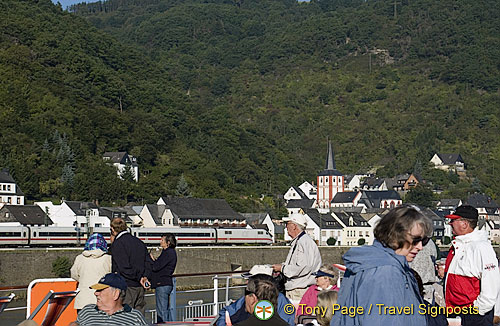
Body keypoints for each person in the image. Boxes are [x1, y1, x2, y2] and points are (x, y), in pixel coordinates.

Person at [331, 205, 431, 326]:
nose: (420, 247)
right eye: (415, 240)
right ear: (394, 236)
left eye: (424, 241)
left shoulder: (368, 262)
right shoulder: (385, 271)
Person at [444, 205, 500, 326]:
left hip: (474, 315)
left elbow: (491, 286)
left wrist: (476, 311)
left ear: (464, 224)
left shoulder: (481, 247)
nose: (450, 223)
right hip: (457, 312)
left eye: (453, 220)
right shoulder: (458, 245)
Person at [216, 265, 295, 326]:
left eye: (251, 279)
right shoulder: (244, 299)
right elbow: (226, 312)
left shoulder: (282, 301)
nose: (246, 282)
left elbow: (289, 320)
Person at [272, 214, 321, 305]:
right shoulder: (301, 241)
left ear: (294, 226)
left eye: (287, 224)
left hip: (299, 290)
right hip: (298, 288)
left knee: (296, 316)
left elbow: (303, 267)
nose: (286, 227)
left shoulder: (303, 242)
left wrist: (282, 268)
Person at [109, 217, 151, 315]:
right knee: (139, 316)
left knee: (126, 316)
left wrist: (138, 277)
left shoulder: (118, 244)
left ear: (112, 229)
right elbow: (148, 263)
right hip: (140, 287)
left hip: (127, 285)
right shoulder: (139, 242)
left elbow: (124, 268)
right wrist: (144, 277)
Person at [74, 272, 148, 325]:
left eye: (100, 290)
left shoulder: (134, 317)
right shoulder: (87, 311)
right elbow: (76, 323)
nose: (95, 293)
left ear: (116, 294)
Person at [70, 233, 111, 311]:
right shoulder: (108, 259)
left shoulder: (79, 258)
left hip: (83, 301)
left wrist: (83, 279)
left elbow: (74, 274)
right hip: (102, 300)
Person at [150, 233, 177, 323]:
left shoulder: (168, 253)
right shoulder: (171, 252)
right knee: (166, 309)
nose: (160, 242)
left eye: (162, 240)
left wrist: (152, 260)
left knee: (162, 311)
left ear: (168, 242)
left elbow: (156, 267)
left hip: (162, 283)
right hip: (166, 283)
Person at [409, 238, 438, 303]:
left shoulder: (410, 242)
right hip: (428, 287)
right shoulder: (431, 243)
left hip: (415, 286)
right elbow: (435, 258)